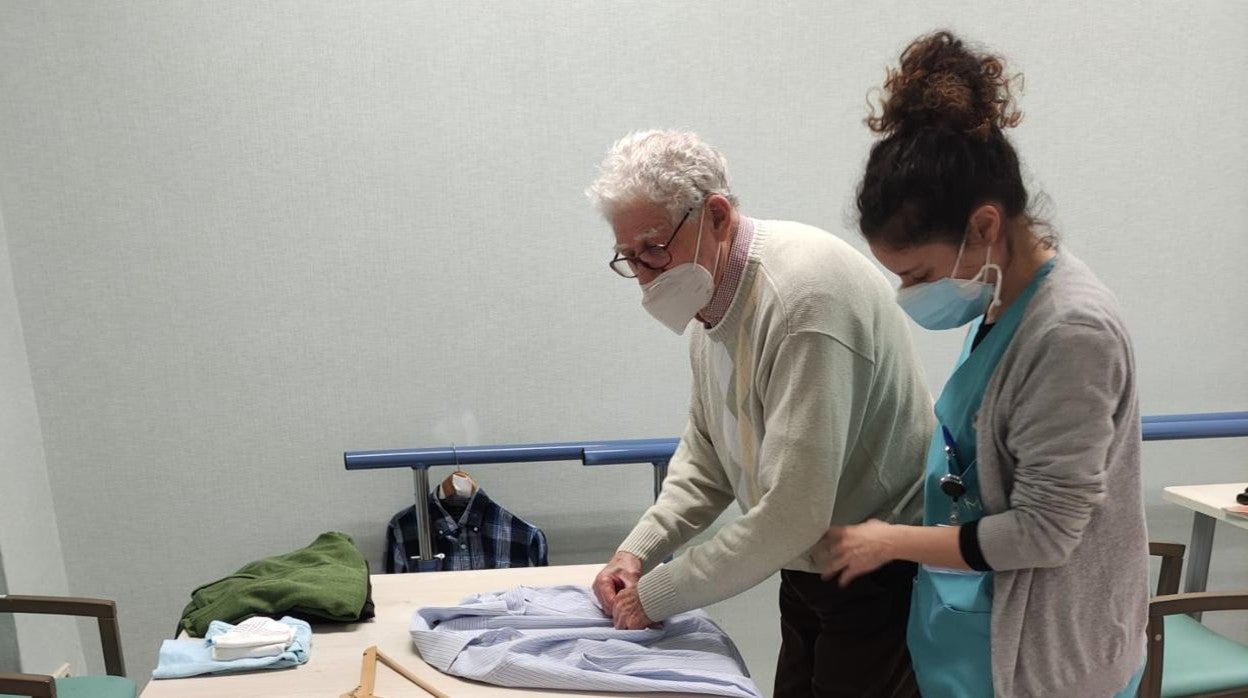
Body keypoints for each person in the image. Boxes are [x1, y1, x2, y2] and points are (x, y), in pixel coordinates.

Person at [820, 31, 1148, 697]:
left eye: (918, 274)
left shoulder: (1070, 331)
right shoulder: (1004, 305)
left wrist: (891, 541)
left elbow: (1045, 533)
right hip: (971, 629)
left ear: (985, 227)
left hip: (1043, 657)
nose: (910, 295)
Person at [585, 129, 933, 697]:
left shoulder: (803, 301)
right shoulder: (710, 303)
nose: (644, 275)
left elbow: (794, 513)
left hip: (878, 570)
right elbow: (706, 459)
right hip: (807, 565)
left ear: (716, 216)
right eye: (628, 258)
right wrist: (639, 551)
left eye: (653, 249)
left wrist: (661, 593)